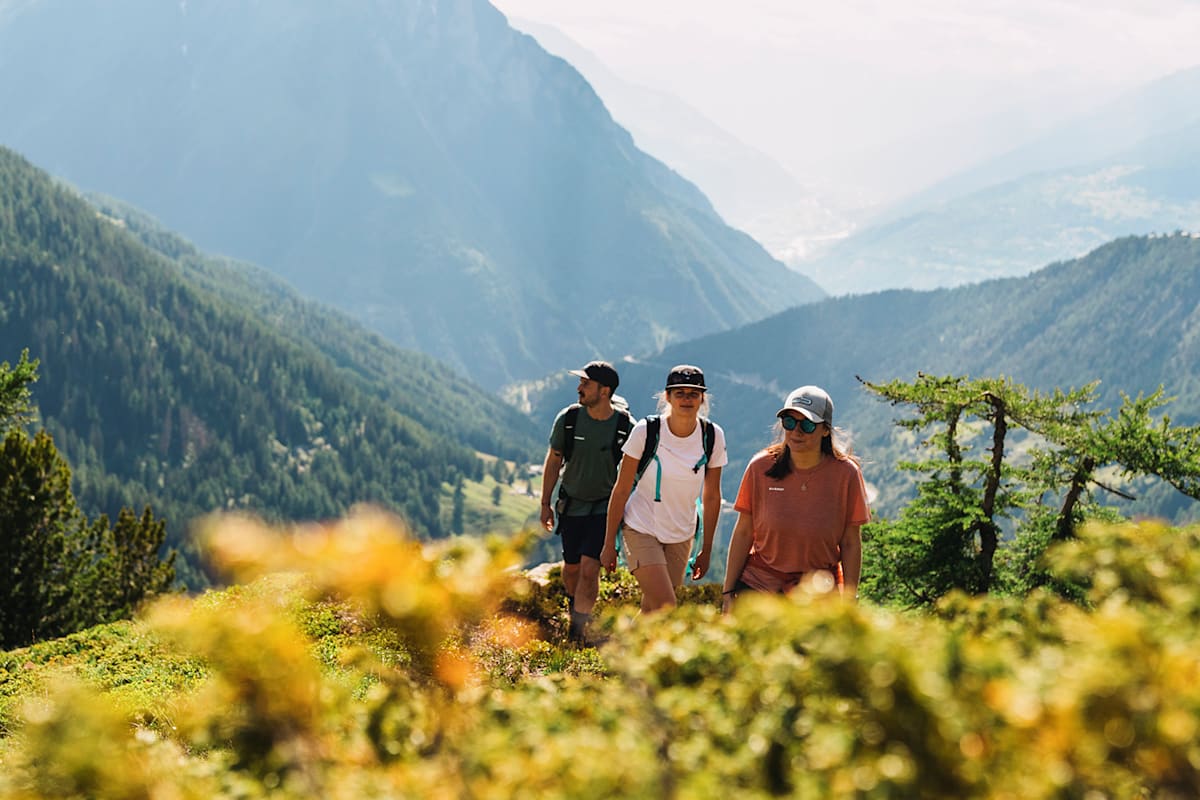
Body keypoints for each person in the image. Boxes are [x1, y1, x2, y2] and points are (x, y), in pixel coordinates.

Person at [722, 385, 869, 612]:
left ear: (825, 430)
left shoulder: (846, 474)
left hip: (819, 590)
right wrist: (728, 592)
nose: (796, 431)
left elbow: (850, 542)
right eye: (789, 422)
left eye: (807, 425)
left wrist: (849, 600)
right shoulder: (760, 467)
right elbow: (743, 532)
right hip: (760, 585)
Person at [601, 365, 727, 613]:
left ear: (702, 398)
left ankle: (627, 651)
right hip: (641, 527)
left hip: (682, 533)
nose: (686, 399)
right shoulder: (646, 432)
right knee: (666, 605)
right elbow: (621, 489)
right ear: (667, 397)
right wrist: (608, 544)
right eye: (679, 392)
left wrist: (707, 549)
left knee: (654, 611)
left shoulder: (712, 436)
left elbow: (712, 496)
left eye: (693, 393)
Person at [540, 360, 633, 642]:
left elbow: (635, 469)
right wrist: (545, 503)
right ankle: (574, 603)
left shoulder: (624, 426)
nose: (579, 388)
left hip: (604, 507)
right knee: (571, 568)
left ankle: (577, 630)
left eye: (586, 384)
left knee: (590, 568)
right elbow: (554, 459)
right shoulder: (568, 419)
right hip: (572, 504)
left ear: (604, 391)